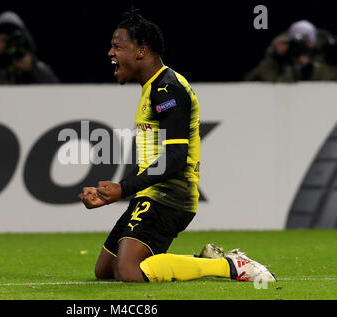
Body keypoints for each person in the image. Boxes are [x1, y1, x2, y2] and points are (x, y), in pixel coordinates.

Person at [79, 9, 276, 283]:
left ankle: (230, 266)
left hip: (170, 197)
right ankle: (202, 261)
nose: (110, 53)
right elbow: (153, 158)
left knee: (127, 271)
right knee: (105, 271)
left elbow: (175, 155)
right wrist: (110, 193)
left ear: (140, 51)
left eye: (117, 47)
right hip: (150, 194)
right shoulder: (152, 88)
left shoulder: (168, 89)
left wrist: (123, 188)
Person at [245, 20, 335, 82]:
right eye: (297, 43)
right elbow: (250, 82)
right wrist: (276, 59)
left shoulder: (325, 56)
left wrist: (309, 69)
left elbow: (332, 78)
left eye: (306, 41)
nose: (301, 47)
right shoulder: (282, 59)